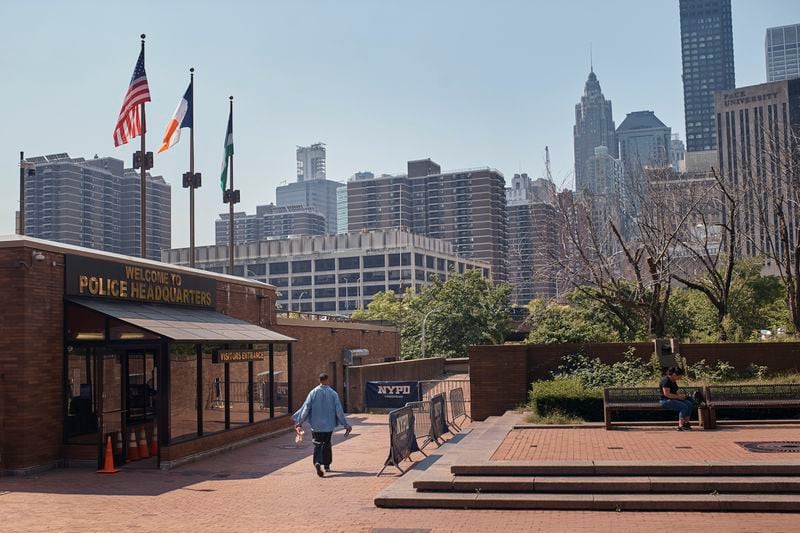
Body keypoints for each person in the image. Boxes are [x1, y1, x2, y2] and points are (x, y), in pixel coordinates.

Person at [292, 373, 352, 477]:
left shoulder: (313, 393)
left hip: (316, 426)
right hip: (329, 426)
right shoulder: (333, 394)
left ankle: (317, 462)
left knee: (318, 444)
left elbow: (306, 408)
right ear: (327, 380)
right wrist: (346, 425)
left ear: (319, 380)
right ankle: (327, 465)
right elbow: (339, 411)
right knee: (327, 443)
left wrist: (299, 422)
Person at [659, 367, 695, 431]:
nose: (680, 378)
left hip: (673, 399)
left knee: (689, 404)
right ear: (674, 374)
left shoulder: (673, 381)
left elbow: (674, 392)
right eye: (679, 376)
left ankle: (686, 423)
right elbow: (667, 394)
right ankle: (681, 426)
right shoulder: (666, 381)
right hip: (665, 401)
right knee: (684, 407)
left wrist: (682, 396)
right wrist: (678, 397)